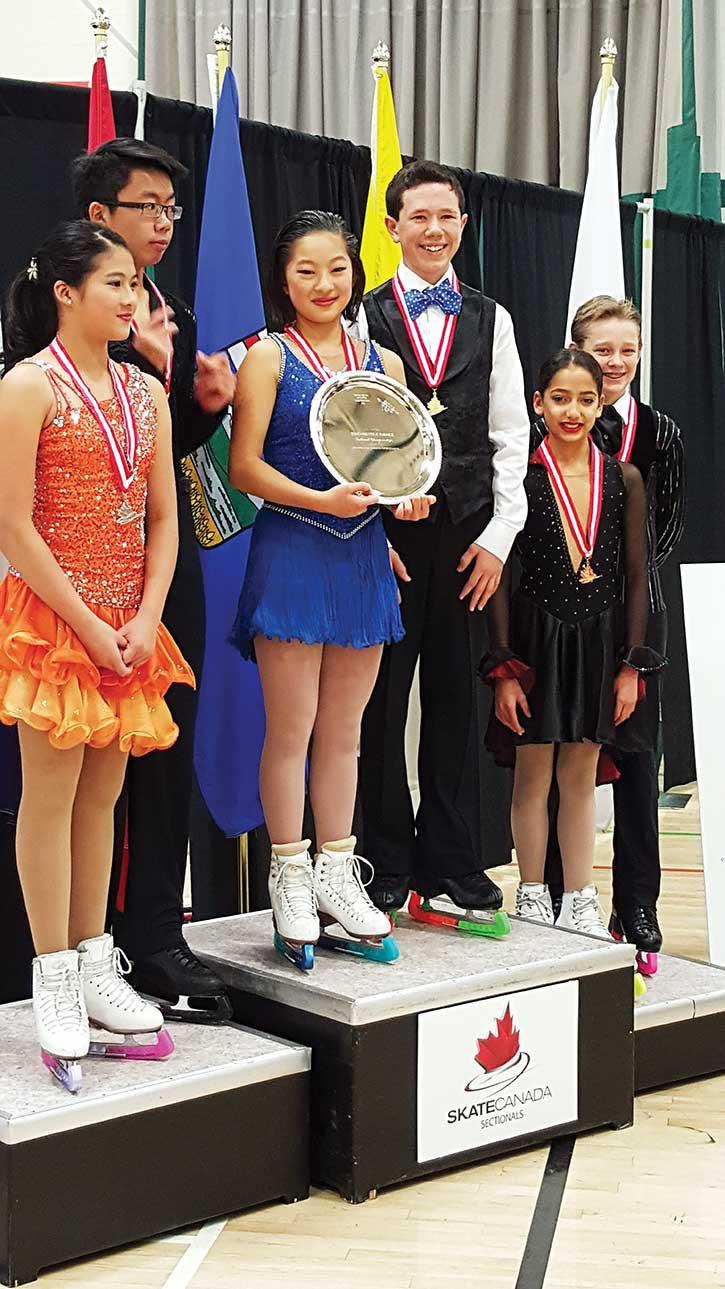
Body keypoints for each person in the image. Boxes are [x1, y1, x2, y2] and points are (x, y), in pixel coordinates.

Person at [0, 221, 194, 1088]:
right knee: (50, 795)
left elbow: (163, 520)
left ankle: (91, 958)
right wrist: (83, 620)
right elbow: (12, 523)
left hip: (128, 625)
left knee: (103, 797)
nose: (131, 298)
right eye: (114, 283)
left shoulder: (146, 392)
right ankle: (51, 975)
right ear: (66, 292)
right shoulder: (27, 386)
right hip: (53, 619)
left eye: (135, 285)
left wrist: (148, 616)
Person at [229, 210, 434, 971]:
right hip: (291, 549)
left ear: (356, 273)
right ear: (283, 279)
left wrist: (406, 500)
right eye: (307, 270)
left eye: (338, 268)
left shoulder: (384, 360)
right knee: (292, 729)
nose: (324, 283)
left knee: (347, 733)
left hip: (362, 558)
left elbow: (402, 468)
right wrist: (320, 501)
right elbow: (242, 467)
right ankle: (289, 873)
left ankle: (337, 872)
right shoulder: (265, 360)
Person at [70, 138, 236, 1020]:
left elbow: (162, 458)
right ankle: (80, 944)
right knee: (89, 764)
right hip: (81, 576)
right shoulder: (52, 307)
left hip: (165, 566)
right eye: (147, 205)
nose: (165, 222)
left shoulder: (173, 314)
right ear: (101, 216)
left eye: (173, 206)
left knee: (165, 742)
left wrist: (201, 406)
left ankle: (155, 936)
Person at [358, 159, 530, 936]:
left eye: (447, 216)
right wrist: (380, 511)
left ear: (464, 224)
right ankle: (384, 860)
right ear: (392, 226)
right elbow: (349, 431)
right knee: (380, 703)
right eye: (418, 216)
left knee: (459, 702)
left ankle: (453, 861)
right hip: (388, 541)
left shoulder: (491, 317)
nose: (433, 230)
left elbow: (509, 437)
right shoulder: (362, 316)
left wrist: (497, 539)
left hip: (468, 541)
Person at [481, 349, 664, 937]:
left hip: (597, 642)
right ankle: (533, 892)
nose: (573, 410)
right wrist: (505, 666)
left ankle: (581, 896)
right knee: (533, 773)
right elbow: (501, 575)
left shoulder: (623, 479)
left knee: (581, 774)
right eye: (559, 398)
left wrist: (631, 664)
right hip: (535, 641)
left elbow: (637, 577)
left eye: (586, 399)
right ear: (537, 403)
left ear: (601, 402)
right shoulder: (521, 479)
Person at [535, 297, 685, 971]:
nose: (616, 361)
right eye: (602, 349)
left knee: (632, 760)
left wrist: (633, 635)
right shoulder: (556, 430)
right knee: (552, 755)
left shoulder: (660, 434)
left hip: (629, 623)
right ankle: (551, 894)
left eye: (627, 349)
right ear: (577, 350)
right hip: (560, 624)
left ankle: (638, 901)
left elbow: (662, 537)